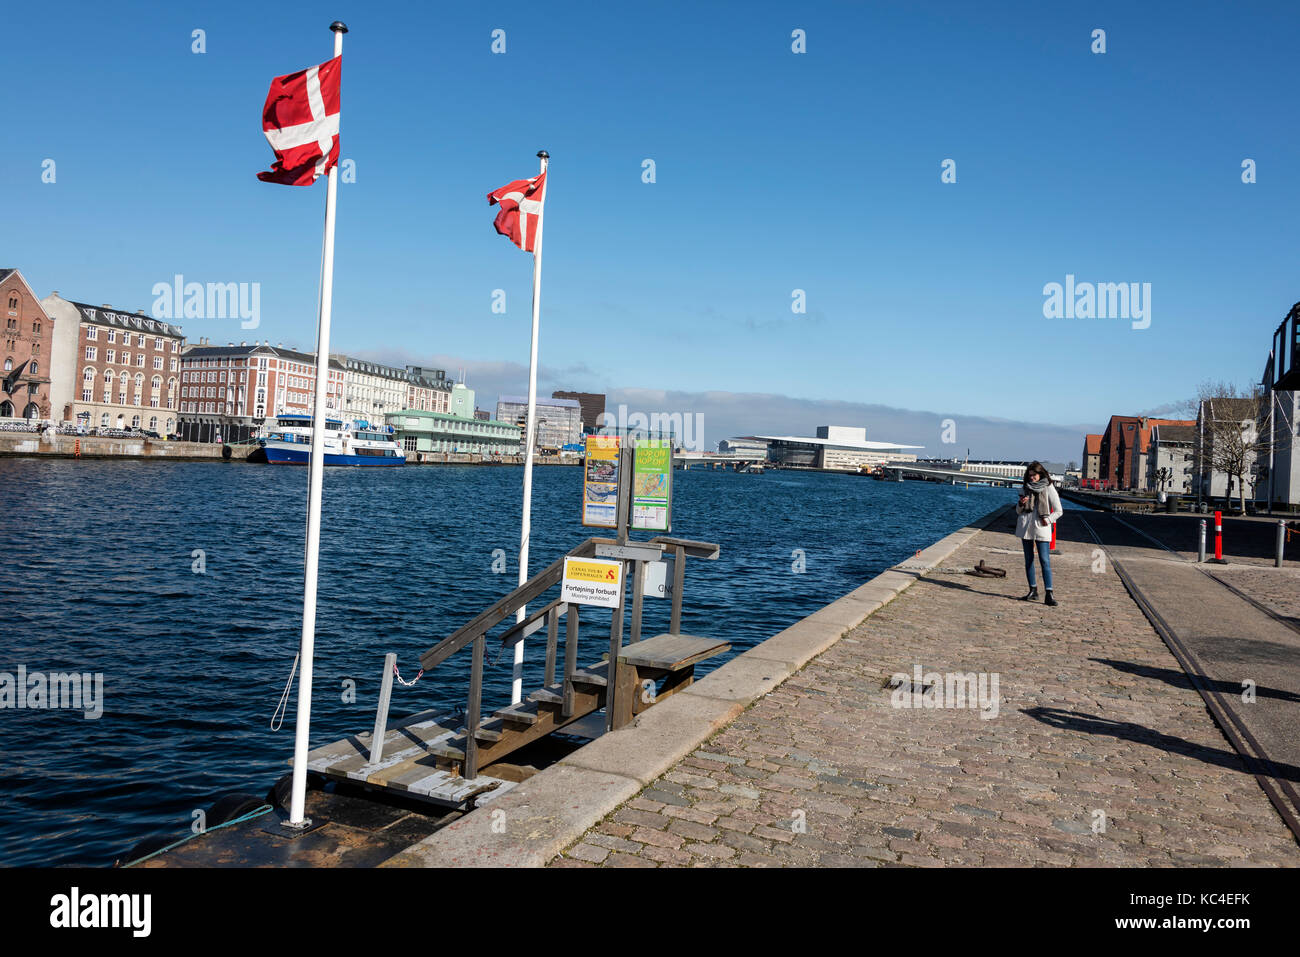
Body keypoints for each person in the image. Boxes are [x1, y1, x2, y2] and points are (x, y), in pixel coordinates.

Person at [1016, 461, 1063, 605]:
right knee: (1028, 560)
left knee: (1044, 560)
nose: (1031, 478)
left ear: (1040, 474)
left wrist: (1048, 520)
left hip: (1041, 527)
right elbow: (1018, 511)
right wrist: (1021, 504)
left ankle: (1049, 593)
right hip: (1026, 527)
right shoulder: (1025, 488)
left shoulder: (1048, 488)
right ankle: (1033, 590)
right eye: (1029, 475)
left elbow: (1059, 511)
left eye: (1034, 475)